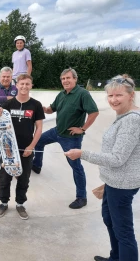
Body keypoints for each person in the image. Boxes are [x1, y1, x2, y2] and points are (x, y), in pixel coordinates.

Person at [65, 75, 139, 261]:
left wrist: (82, 154)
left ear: (130, 95)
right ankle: (116, 260)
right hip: (113, 181)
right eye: (110, 95)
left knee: (124, 231)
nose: (113, 100)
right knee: (109, 219)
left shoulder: (132, 120)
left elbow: (117, 159)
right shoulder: (123, 116)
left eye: (119, 95)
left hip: (122, 184)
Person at [32, 68, 99, 209]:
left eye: (68, 78)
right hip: (57, 131)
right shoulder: (61, 94)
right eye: (63, 79)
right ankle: (37, 165)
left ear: (75, 79)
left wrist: (82, 129)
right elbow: (51, 109)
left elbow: (94, 112)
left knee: (76, 167)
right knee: (37, 141)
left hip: (71, 137)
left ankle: (82, 197)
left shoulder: (82, 94)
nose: (65, 81)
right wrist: (41, 107)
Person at [0, 74, 44, 220]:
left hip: (26, 149)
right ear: (17, 85)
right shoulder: (8, 104)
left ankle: (20, 204)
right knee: (5, 177)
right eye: (22, 84)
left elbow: (39, 128)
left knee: (24, 178)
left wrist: (32, 146)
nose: (24, 87)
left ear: (31, 85)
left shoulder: (36, 105)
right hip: (8, 149)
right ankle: (3, 202)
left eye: (27, 84)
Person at [0, 67, 18, 183]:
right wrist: (8, 98)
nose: (6, 79)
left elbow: (19, 100)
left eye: (8, 77)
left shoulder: (16, 88)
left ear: (11, 77)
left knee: (9, 148)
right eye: (3, 76)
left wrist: (1, 100)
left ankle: (6, 168)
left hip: (12, 126)